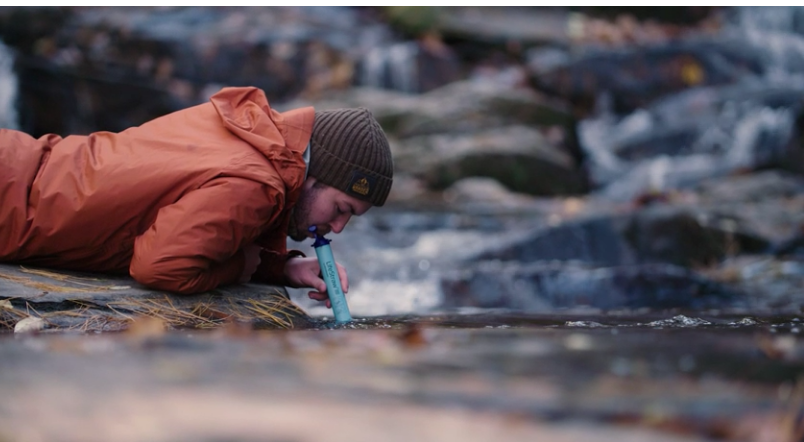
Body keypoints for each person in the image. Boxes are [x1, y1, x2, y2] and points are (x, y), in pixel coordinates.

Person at [0, 86, 393, 307]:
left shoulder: (248, 129)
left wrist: (284, 268)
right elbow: (160, 266)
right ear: (314, 175)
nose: (338, 228)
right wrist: (240, 268)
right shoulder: (256, 186)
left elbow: (202, 222)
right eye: (342, 209)